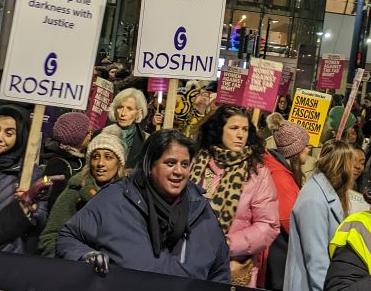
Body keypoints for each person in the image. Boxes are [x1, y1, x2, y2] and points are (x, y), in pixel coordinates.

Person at [56, 129, 230, 282]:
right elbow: (68, 237)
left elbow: (220, 272)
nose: (179, 171)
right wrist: (84, 256)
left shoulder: (201, 210)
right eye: (170, 163)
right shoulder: (114, 199)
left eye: (184, 164)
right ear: (149, 166)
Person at [189, 104, 279, 287]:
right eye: (234, 128)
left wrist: (227, 244)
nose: (240, 135)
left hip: (230, 270)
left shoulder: (257, 173)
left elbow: (268, 225)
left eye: (245, 129)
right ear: (219, 130)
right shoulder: (196, 163)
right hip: (189, 263)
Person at [284, 139, 369, 291]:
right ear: (341, 167)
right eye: (352, 165)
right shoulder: (314, 200)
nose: (355, 170)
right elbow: (316, 260)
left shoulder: (326, 193)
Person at [0, 104, 48, 253]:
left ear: (20, 137)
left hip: (8, 255)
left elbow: (41, 223)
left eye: (9, 133)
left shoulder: (30, 172)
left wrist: (32, 209)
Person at [39, 126, 125, 256]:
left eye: (108, 157)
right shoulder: (75, 190)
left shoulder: (131, 195)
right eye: (95, 157)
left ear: (119, 163)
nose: (100, 163)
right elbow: (49, 238)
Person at [262, 113, 310, 291]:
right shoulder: (281, 179)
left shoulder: (280, 170)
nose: (308, 149)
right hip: (277, 258)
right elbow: (290, 222)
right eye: (305, 146)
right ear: (295, 151)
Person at [40, 110, 93, 209]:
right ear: (77, 136)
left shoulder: (79, 159)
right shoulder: (58, 164)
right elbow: (55, 202)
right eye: (88, 132)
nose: (90, 135)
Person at [106, 87, 148, 171]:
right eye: (120, 107)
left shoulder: (146, 141)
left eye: (129, 109)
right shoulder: (99, 135)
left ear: (138, 113)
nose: (123, 113)